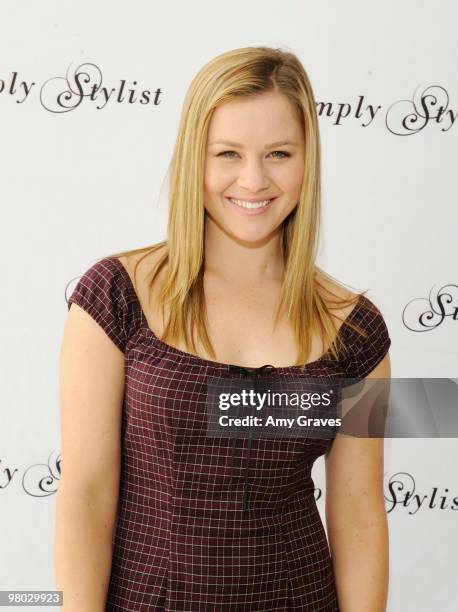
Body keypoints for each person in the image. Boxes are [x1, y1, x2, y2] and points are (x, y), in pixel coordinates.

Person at [54, 46, 391, 611]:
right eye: (228, 153)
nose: (254, 179)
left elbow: (359, 516)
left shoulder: (353, 331)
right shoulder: (115, 298)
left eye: (279, 153)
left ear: (308, 160)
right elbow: (86, 496)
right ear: (195, 159)